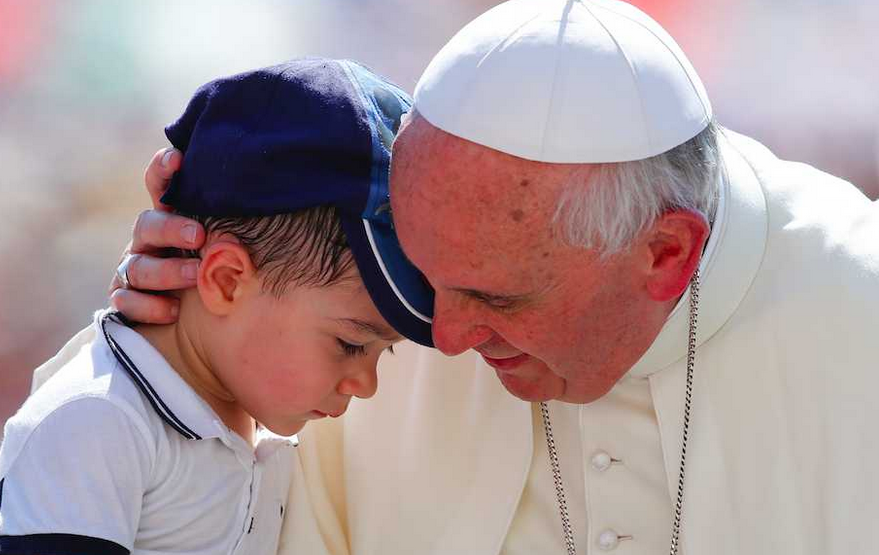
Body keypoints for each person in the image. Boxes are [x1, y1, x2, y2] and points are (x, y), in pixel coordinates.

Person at [30, 0, 879, 554]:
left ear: (664, 254)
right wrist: (166, 328)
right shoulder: (385, 295)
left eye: (497, 298)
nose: (443, 336)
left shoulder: (856, 315)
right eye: (433, 280)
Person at [0, 58, 434, 554]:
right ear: (227, 281)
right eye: (351, 343)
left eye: (385, 350)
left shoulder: (258, 418)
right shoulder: (97, 421)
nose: (368, 384)